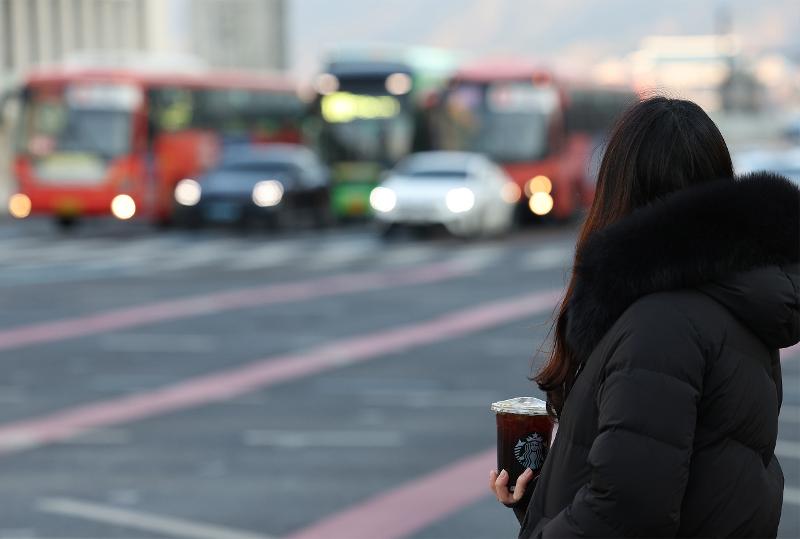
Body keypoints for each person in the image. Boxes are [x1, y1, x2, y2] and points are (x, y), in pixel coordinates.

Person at [489, 96, 800, 537]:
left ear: (618, 190)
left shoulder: (661, 323)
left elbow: (626, 511)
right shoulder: (732, 299)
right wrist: (542, 499)